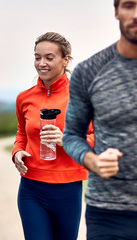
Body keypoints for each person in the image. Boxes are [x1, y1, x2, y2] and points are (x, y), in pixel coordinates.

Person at [63, 0, 137, 239]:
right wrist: (92, 160)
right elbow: (72, 135)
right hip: (108, 212)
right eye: (129, 5)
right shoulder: (90, 71)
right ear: (116, 11)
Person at [12, 32, 94, 240]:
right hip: (31, 188)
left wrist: (66, 140)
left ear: (65, 59)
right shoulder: (24, 98)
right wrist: (17, 152)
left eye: (49, 57)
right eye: (37, 57)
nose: (42, 63)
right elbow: (22, 133)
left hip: (67, 189)